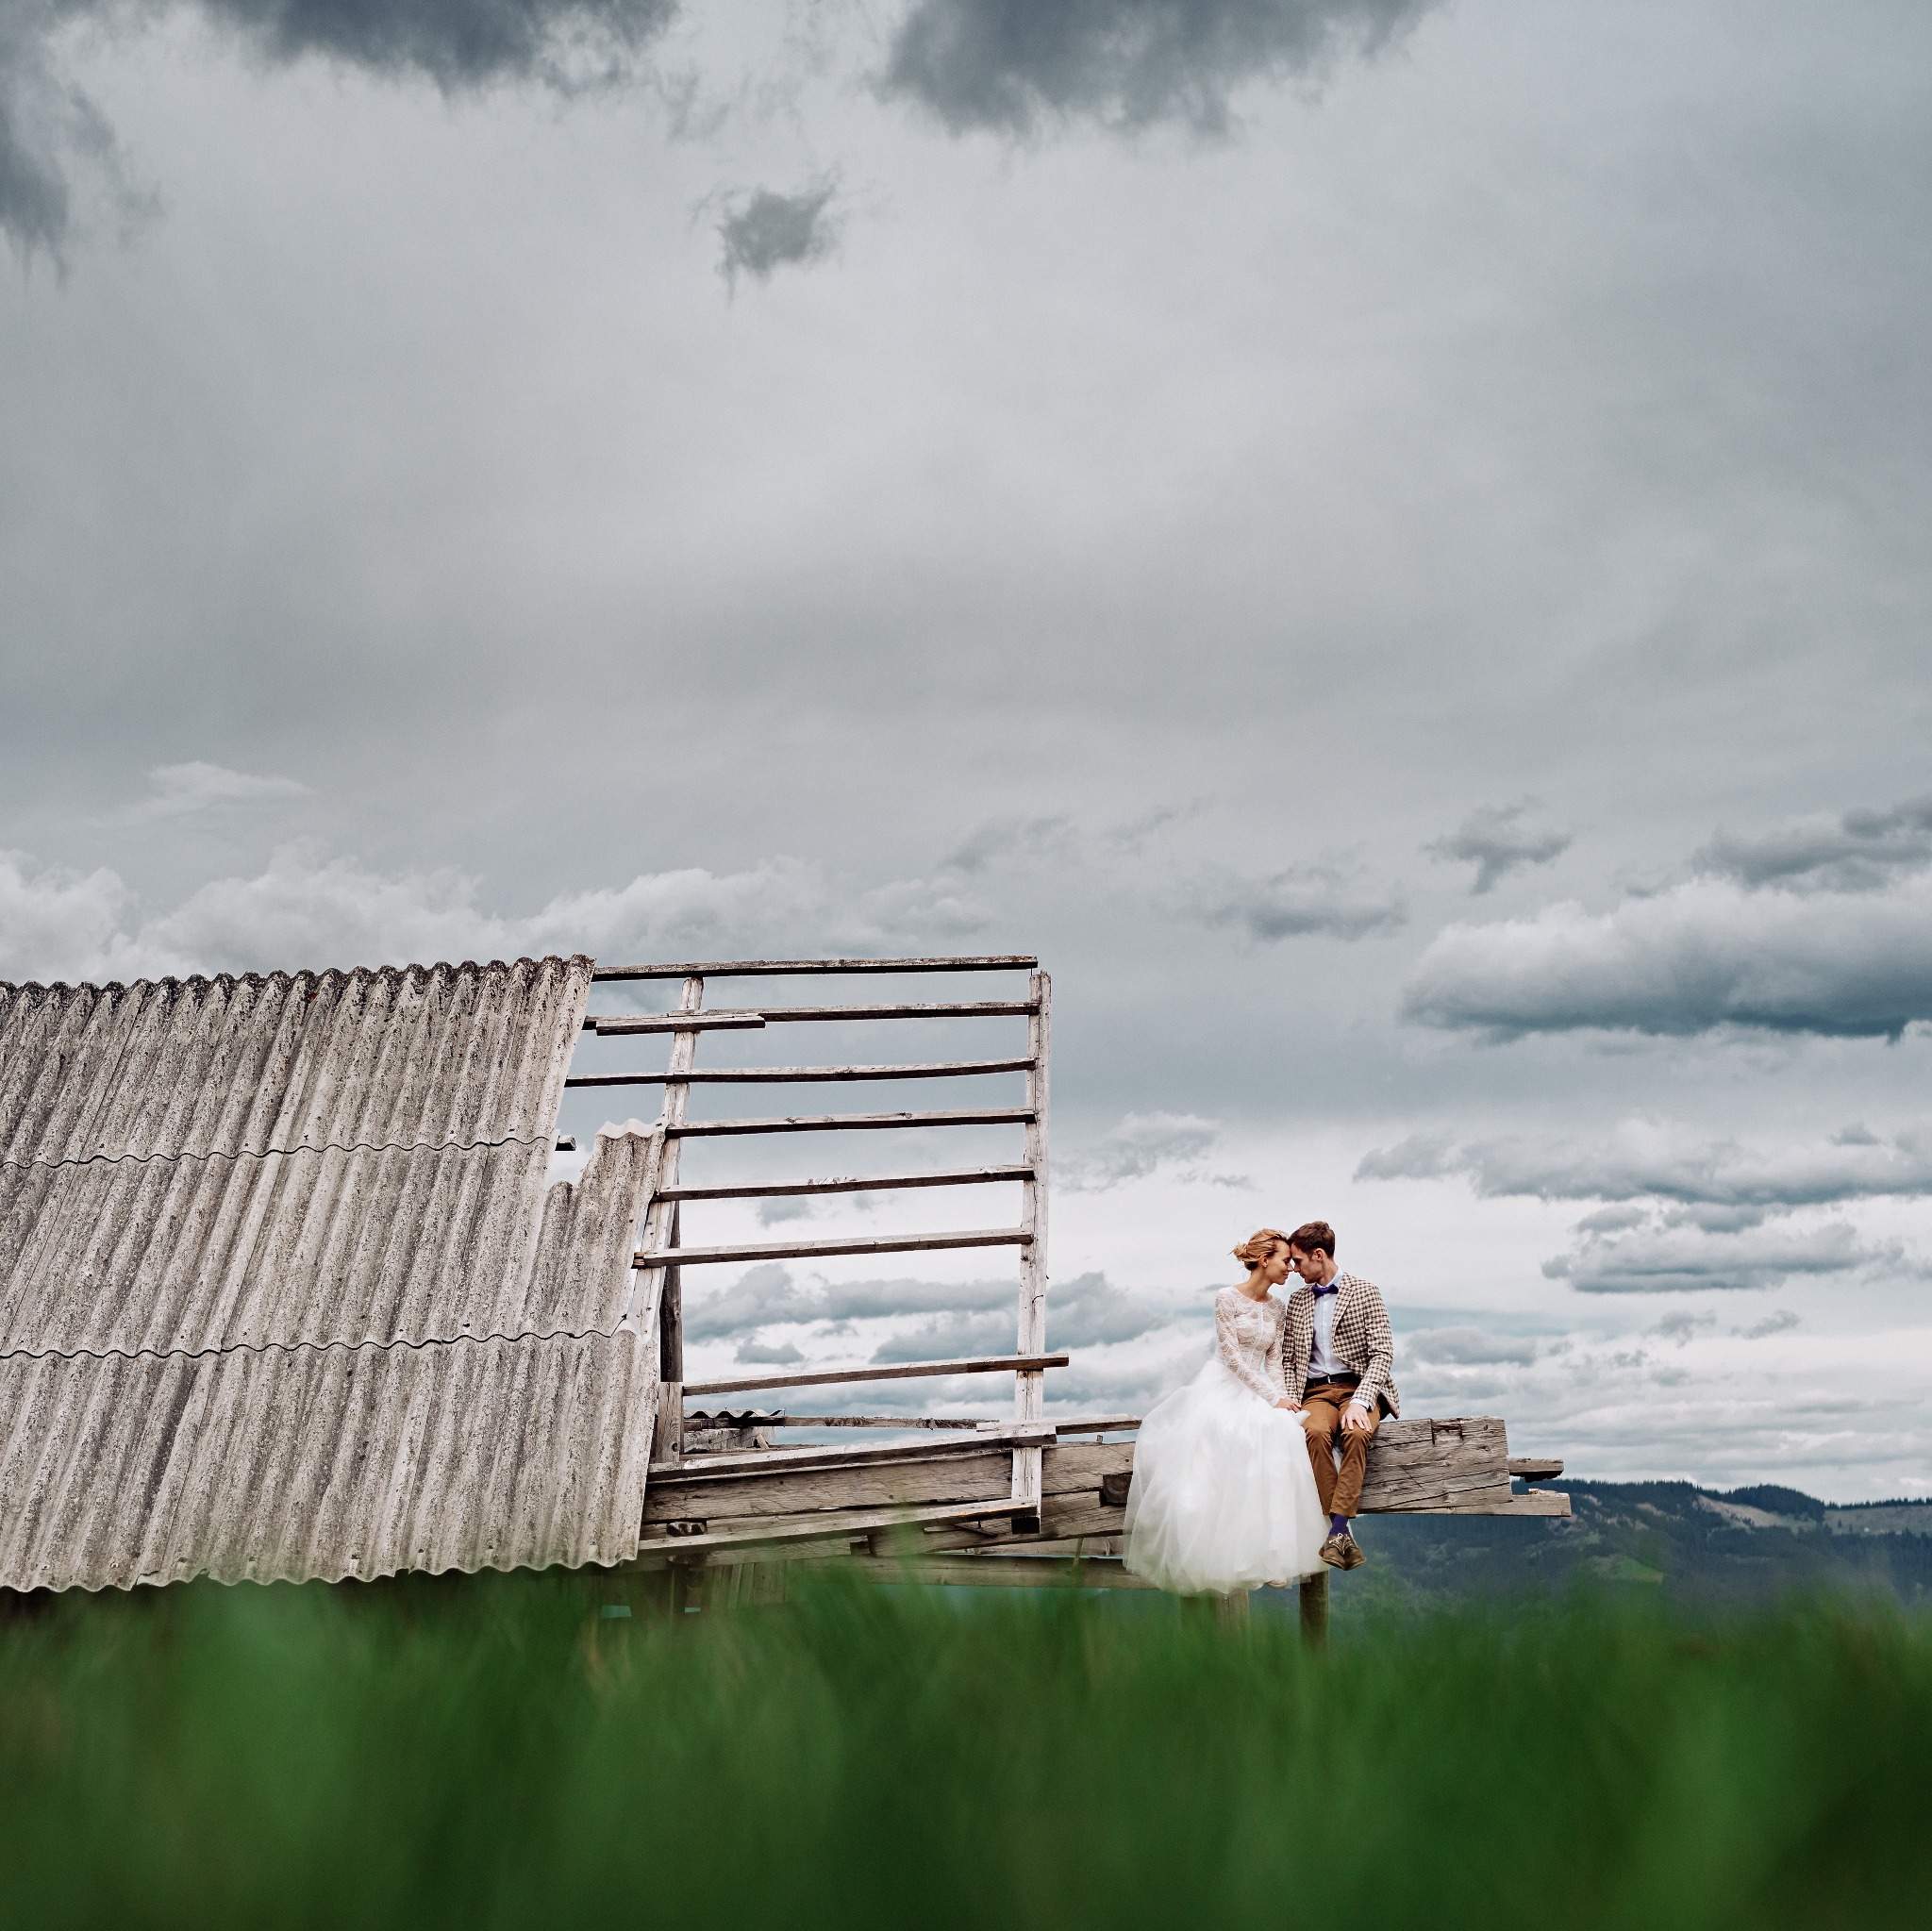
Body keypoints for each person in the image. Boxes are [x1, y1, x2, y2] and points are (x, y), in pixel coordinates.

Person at [1122, 1228, 1327, 1594]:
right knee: (1230, 1442)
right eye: (1285, 1261)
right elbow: (1232, 1357)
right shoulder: (1226, 1298)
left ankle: (1271, 1555)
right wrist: (1269, 1395)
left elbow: (1275, 1358)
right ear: (1265, 1261)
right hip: (1224, 1385)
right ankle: (1224, 1550)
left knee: (1283, 1436)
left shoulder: (1278, 1308)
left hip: (1263, 1388)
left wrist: (1281, 1399)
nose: (1291, 1269)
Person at [1279, 1221, 1400, 1572]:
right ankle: (1341, 1530)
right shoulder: (1298, 1300)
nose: (1294, 1268)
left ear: (1319, 1256)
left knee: (1357, 1432)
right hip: (1315, 1392)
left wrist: (1361, 1401)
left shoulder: (1367, 1291)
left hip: (1358, 1387)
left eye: (1299, 1261)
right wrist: (1290, 1400)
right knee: (1313, 1433)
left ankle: (1334, 1528)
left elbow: (1382, 1353)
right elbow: (1289, 1359)